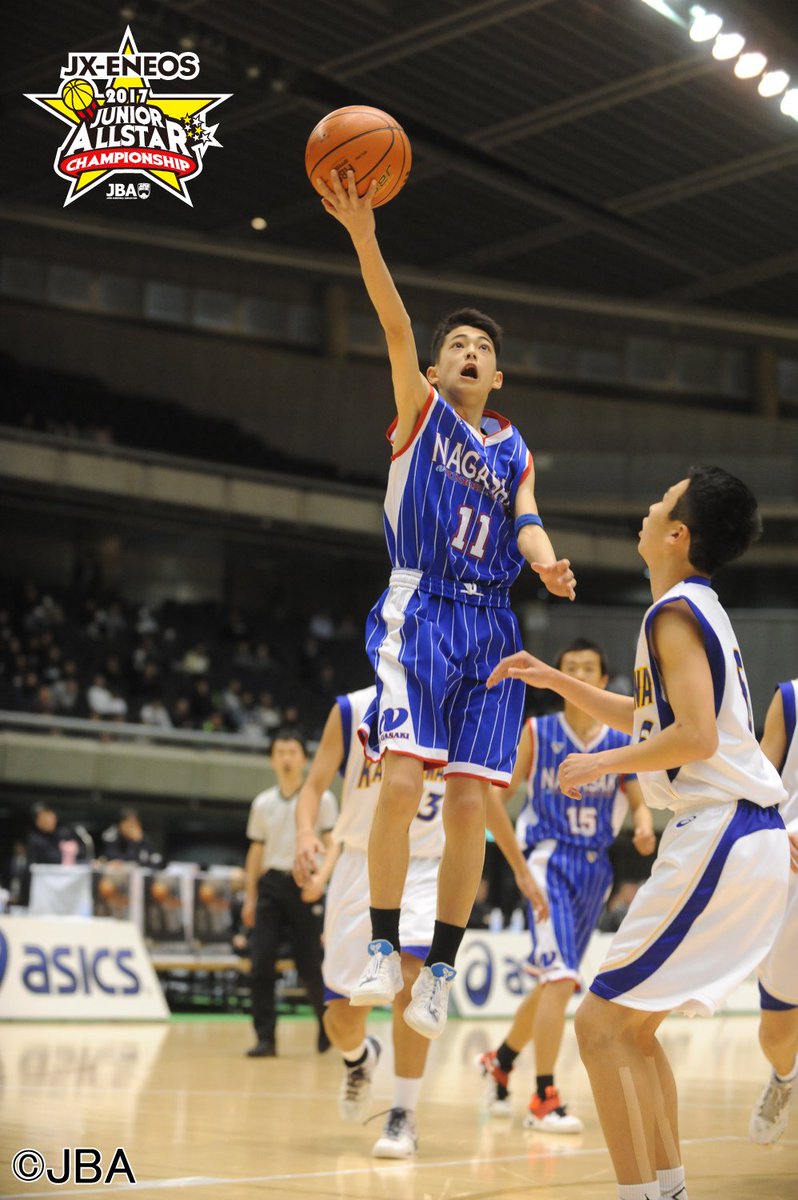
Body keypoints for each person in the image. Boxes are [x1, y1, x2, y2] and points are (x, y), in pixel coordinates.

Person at [316, 168, 575, 1040]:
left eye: (481, 347)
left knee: (469, 805)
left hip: (492, 623)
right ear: (434, 368)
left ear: (498, 374)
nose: (469, 351)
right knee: (399, 779)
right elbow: (394, 322)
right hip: (421, 607)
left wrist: (545, 564)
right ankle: (382, 945)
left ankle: (440, 971)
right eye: (456, 343)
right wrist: (364, 237)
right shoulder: (419, 413)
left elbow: (527, 520)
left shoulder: (514, 449)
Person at [486, 466, 790, 1200]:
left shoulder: (673, 613)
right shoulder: (694, 607)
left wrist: (600, 762)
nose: (649, 507)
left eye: (662, 501)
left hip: (721, 830)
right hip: (736, 834)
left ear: (678, 533)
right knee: (630, 1031)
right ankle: (668, 1189)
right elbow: (653, 717)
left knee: (598, 1027)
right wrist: (557, 681)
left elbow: (693, 738)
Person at [294, 685, 547, 1158]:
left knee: (412, 980)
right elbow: (313, 787)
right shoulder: (352, 709)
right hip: (361, 863)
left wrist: (519, 869)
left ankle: (403, 1113)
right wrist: (307, 832)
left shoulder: (463, 708)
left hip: (430, 865)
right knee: (341, 1022)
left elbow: (486, 804)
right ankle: (359, 1059)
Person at [478, 638, 655, 1132]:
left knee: (553, 982)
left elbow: (638, 798)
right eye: (569, 667)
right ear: (555, 678)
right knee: (559, 979)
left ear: (603, 679)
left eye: (587, 668)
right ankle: (544, 1098)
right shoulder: (537, 732)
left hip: (596, 871)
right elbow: (493, 801)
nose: (578, 675)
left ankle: (501, 1061)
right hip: (547, 862)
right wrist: (518, 866)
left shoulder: (619, 736)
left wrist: (643, 824)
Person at [242, 728, 337, 1058]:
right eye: (280, 752)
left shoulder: (322, 800)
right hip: (271, 886)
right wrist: (250, 897)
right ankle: (265, 1038)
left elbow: (332, 844)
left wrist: (321, 880)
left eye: (292, 752)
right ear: (272, 759)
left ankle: (327, 1024)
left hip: (305, 884)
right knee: (261, 963)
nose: (285, 758)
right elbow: (256, 852)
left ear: (304, 759)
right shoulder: (263, 803)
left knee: (310, 964)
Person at [749, 679, 798, 1144]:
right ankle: (785, 1077)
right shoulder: (791, 699)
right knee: (777, 1033)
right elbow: (756, 787)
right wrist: (773, 832)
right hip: (791, 878)